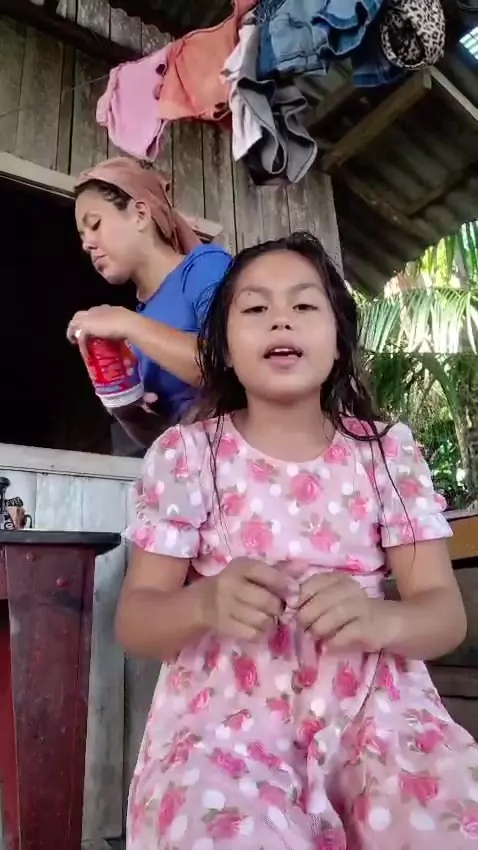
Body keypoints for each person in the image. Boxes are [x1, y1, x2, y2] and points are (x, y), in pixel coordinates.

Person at [118, 232, 475, 850]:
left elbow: (444, 614)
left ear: (338, 340)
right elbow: (137, 622)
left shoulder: (386, 454)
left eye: (304, 305)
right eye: (256, 307)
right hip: (223, 725)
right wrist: (203, 604)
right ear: (223, 348)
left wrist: (380, 619)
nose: (280, 318)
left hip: (378, 717)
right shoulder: (187, 455)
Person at [67, 157, 232, 447]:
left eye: (95, 224)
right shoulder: (140, 322)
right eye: (82, 235)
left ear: (140, 214)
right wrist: (126, 410)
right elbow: (160, 440)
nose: (86, 243)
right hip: (194, 466)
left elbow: (233, 365)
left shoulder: (205, 267)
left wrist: (127, 323)